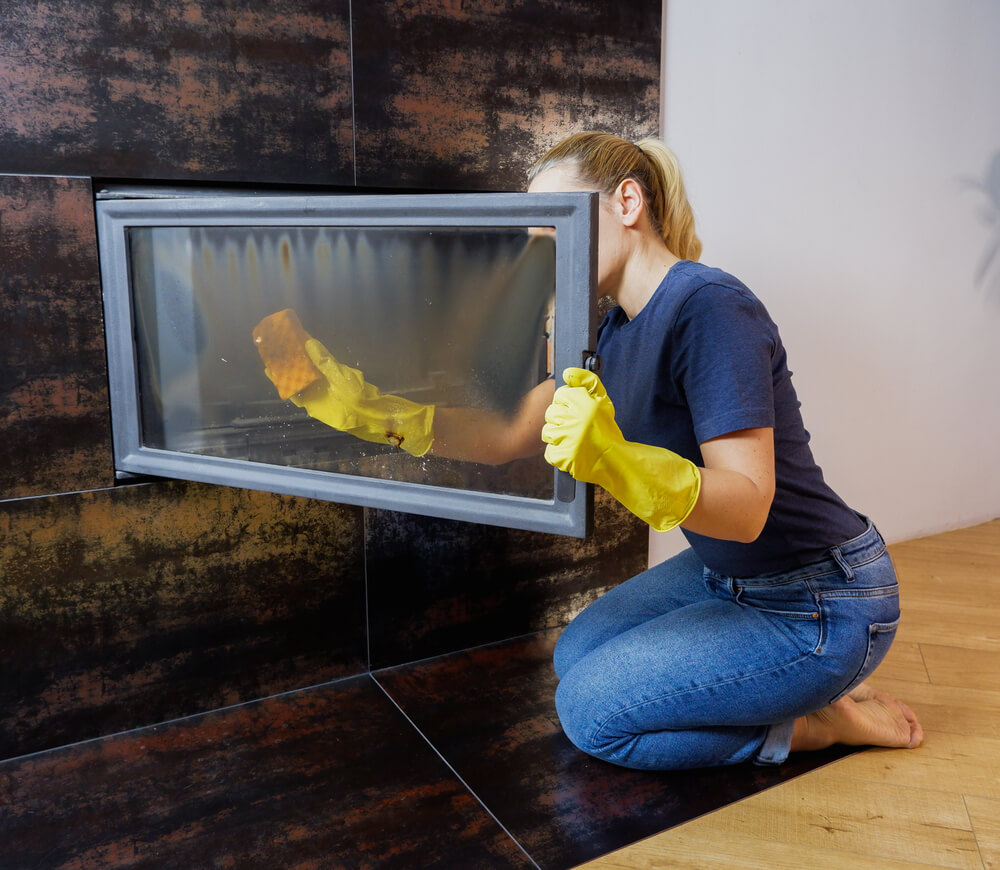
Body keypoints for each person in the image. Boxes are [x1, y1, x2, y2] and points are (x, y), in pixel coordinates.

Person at [259, 130, 922, 770]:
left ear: (627, 203)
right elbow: (508, 435)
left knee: (590, 715)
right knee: (575, 655)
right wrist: (371, 413)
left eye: (556, 221)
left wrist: (612, 457)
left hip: (819, 597)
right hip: (726, 574)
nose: (540, 248)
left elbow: (748, 508)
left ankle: (813, 725)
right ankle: (784, 689)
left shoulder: (709, 306)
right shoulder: (609, 331)